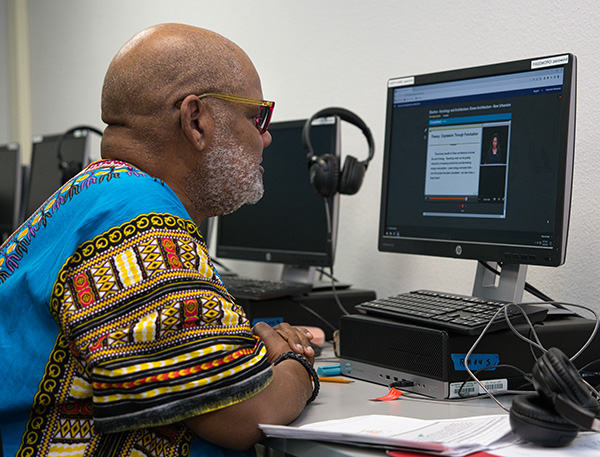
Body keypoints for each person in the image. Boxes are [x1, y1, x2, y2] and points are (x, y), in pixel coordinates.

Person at [0, 23, 318, 457]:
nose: (266, 136)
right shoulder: (143, 225)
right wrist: (293, 362)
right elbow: (247, 415)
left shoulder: (102, 195)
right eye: (256, 116)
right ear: (196, 121)